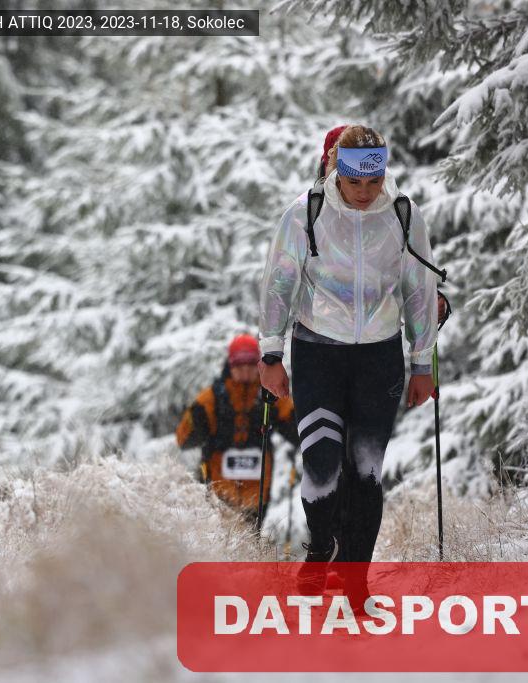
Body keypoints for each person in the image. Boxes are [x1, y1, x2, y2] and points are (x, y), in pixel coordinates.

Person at [257, 124, 442, 609]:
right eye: (354, 181)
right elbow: (279, 283)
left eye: (373, 181)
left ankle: (356, 580)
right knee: (321, 464)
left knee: (366, 471)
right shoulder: (306, 213)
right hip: (317, 352)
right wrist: (271, 354)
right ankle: (322, 547)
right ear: (335, 170)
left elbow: (419, 290)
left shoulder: (403, 215)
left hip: (379, 357)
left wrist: (422, 361)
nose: (364, 192)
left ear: (384, 173)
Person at [176, 334, 299, 529]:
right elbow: (183, 439)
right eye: (239, 366)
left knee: (250, 538)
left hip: (257, 495)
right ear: (231, 366)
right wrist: (196, 421)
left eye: (250, 365)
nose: (245, 371)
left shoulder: (269, 395)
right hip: (218, 492)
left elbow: (297, 428)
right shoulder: (212, 397)